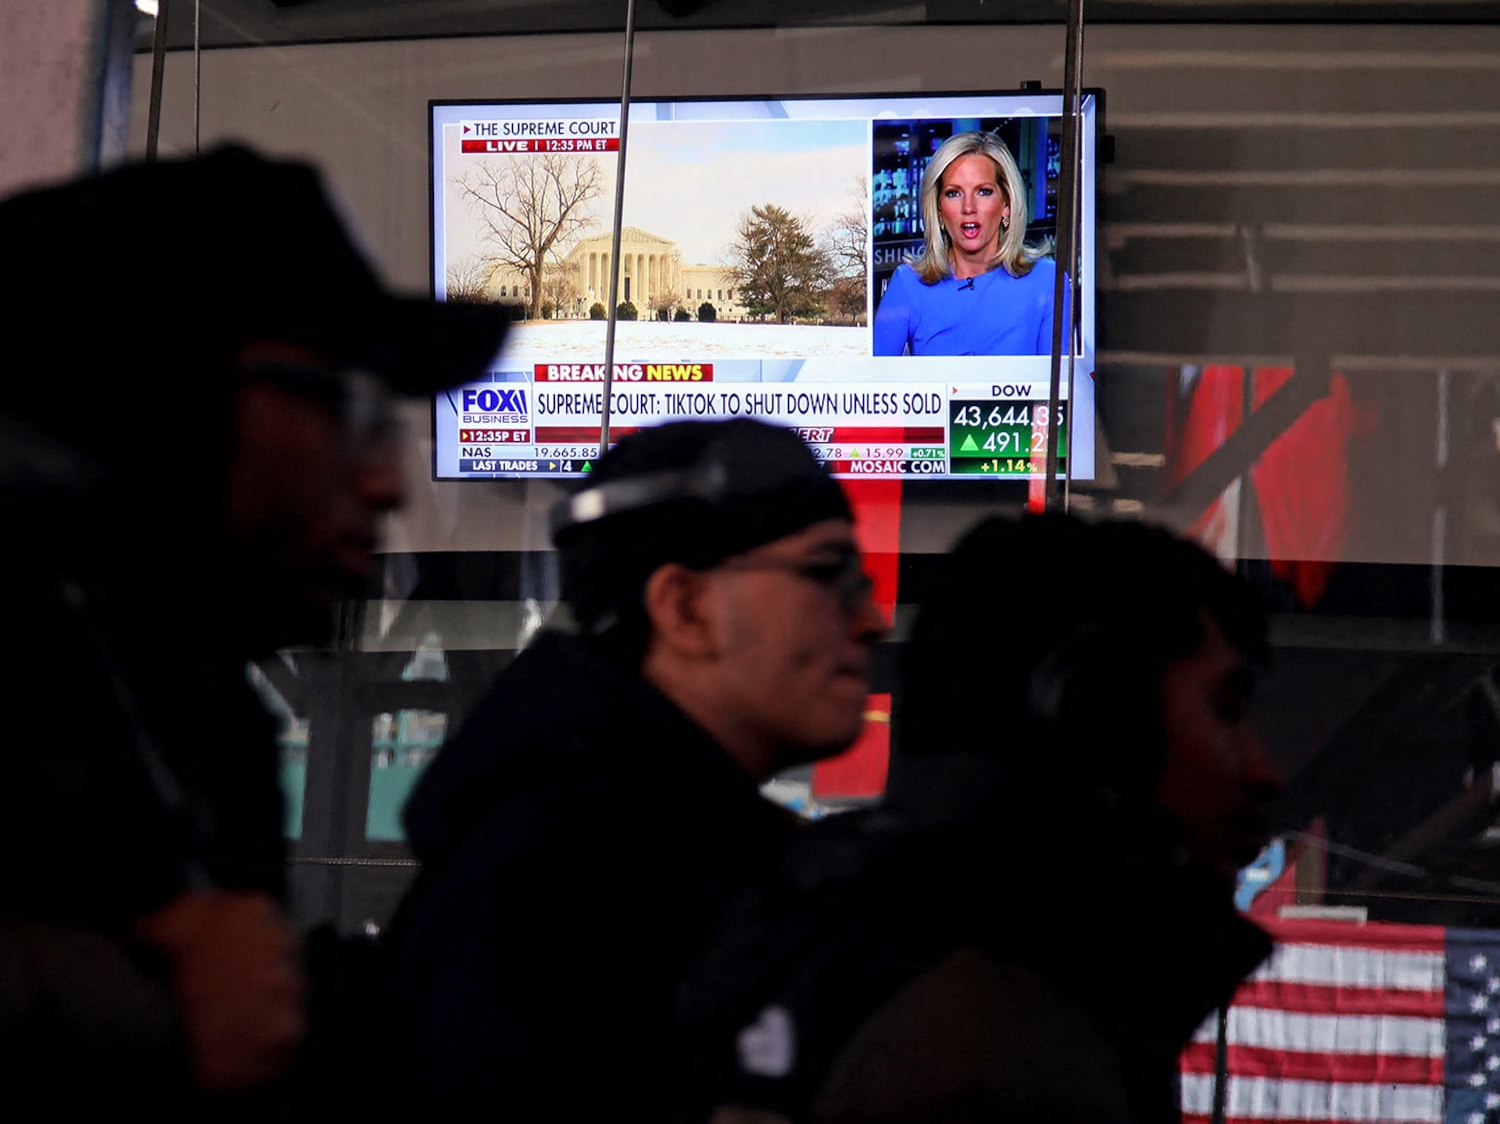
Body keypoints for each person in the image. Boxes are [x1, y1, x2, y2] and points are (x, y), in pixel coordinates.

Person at [0, 145, 510, 1118]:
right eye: (353, 408)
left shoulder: (165, 682)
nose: (389, 482)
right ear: (169, 392)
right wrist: (136, 1008)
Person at [678, 511, 1284, 1124]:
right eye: (1226, 708)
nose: (1264, 770)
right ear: (1093, 718)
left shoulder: (836, 960)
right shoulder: (997, 1056)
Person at [383, 418, 889, 1120]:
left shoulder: (598, 845)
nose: (872, 618)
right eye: (827, 572)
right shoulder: (581, 890)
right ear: (684, 608)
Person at [872, 130, 1062, 357]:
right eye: (954, 193)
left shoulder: (1048, 281)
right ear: (939, 210)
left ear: (1006, 204)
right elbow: (875, 385)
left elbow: (1063, 389)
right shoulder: (908, 284)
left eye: (983, 191)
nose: (968, 208)